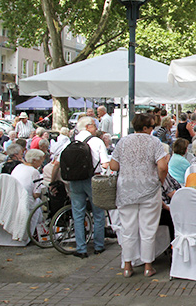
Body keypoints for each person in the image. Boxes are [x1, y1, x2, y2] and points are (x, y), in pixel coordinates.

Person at [109, 113, 168, 278]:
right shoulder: (154, 142)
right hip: (149, 190)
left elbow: (113, 166)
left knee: (128, 229)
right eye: (151, 127)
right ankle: (148, 265)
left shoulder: (123, 142)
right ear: (145, 128)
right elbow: (162, 167)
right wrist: (159, 181)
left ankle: (127, 265)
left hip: (126, 190)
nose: (152, 130)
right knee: (148, 229)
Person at [64, 116, 109, 259]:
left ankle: (81, 248)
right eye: (94, 125)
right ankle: (98, 246)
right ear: (88, 126)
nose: (96, 128)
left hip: (75, 180)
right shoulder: (96, 141)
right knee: (98, 212)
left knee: (78, 213)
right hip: (93, 180)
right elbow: (105, 163)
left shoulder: (71, 141)